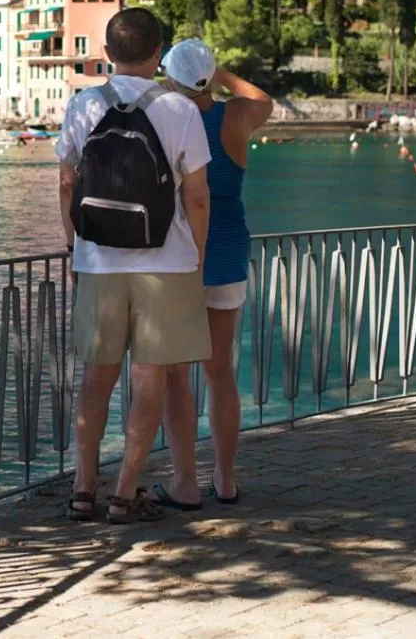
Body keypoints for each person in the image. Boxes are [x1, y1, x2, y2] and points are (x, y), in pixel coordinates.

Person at [57, 8, 212, 523]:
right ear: (158, 54)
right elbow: (198, 197)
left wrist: (75, 247)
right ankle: (124, 492)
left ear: (106, 54)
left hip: (98, 261)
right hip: (166, 264)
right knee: (149, 375)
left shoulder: (83, 104)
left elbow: (65, 184)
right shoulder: (180, 108)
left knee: (97, 375)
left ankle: (83, 487)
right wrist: (198, 256)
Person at [155, 39, 272, 507]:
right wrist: (219, 73)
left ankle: (184, 482)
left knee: (175, 376)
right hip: (227, 254)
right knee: (220, 370)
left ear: (173, 79)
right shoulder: (236, 117)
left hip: (181, 257)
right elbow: (264, 101)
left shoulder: (167, 119)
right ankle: (225, 480)